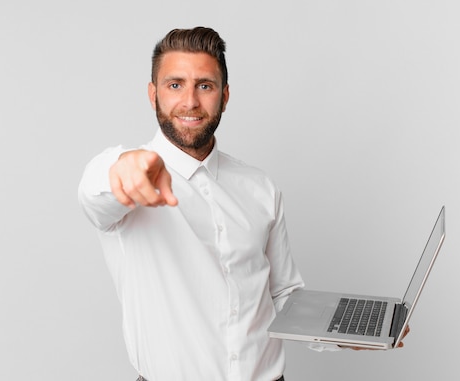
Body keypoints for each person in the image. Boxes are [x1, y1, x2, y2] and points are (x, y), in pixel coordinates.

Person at [79, 26, 405, 381]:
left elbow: (284, 295)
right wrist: (123, 165)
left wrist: (347, 333)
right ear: (152, 93)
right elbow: (96, 193)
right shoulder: (126, 180)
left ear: (225, 96)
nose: (190, 101)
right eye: (175, 85)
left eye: (205, 85)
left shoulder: (259, 187)